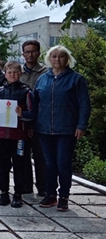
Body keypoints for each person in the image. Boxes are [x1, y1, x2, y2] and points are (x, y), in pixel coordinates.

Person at [34, 45, 90, 212]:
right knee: (49, 163)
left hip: (67, 129)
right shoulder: (43, 79)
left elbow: (84, 105)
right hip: (44, 129)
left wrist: (82, 125)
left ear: (67, 60)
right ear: (49, 59)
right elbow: (35, 103)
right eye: (54, 56)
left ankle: (64, 196)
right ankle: (50, 195)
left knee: (63, 163)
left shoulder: (76, 79)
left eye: (61, 57)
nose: (57, 59)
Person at [0, 61, 34, 208]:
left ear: (20, 74)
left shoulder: (26, 91)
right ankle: (4, 193)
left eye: (15, 72)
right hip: (2, 135)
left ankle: (18, 194)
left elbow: (32, 114)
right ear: (5, 74)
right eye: (9, 72)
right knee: (3, 165)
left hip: (19, 136)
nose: (12, 75)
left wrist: (23, 114)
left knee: (19, 165)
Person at [20, 39, 48, 197]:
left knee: (40, 156)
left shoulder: (45, 72)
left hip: (40, 120)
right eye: (27, 51)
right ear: (23, 54)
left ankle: (43, 187)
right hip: (21, 121)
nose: (30, 54)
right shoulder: (18, 72)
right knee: (22, 154)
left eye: (33, 51)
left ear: (38, 53)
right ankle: (26, 186)